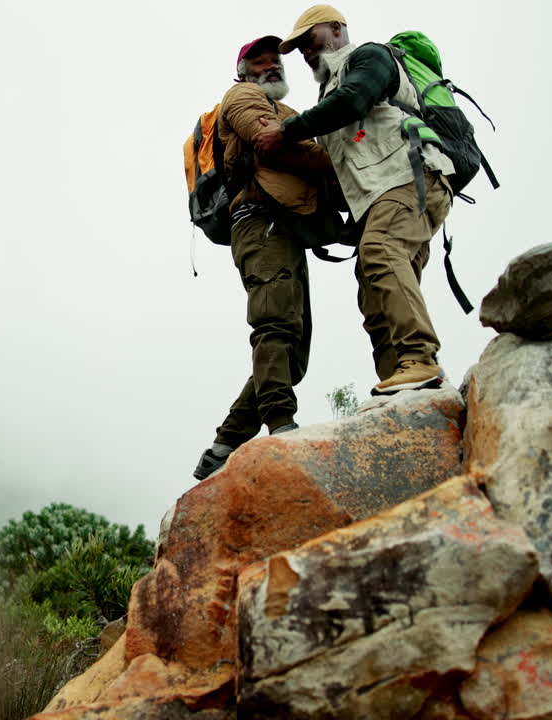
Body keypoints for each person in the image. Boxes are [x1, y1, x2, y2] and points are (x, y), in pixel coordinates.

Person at [254, 5, 455, 396]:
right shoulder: (330, 92)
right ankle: (404, 385)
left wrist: (286, 131)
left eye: (309, 39)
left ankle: (420, 358)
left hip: (410, 179)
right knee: (374, 291)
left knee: (381, 250)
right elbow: (344, 163)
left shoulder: (369, 57)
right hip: (381, 198)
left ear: (336, 28)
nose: (305, 51)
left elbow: (355, 100)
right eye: (299, 48)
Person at [193, 35, 335, 481]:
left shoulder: (285, 110)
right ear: (243, 71)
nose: (272, 65)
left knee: (295, 351)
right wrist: (336, 161)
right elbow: (270, 143)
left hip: (286, 227)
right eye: (260, 61)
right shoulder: (242, 97)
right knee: (276, 324)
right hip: (259, 221)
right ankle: (281, 424)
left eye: (276, 60)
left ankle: (226, 443)